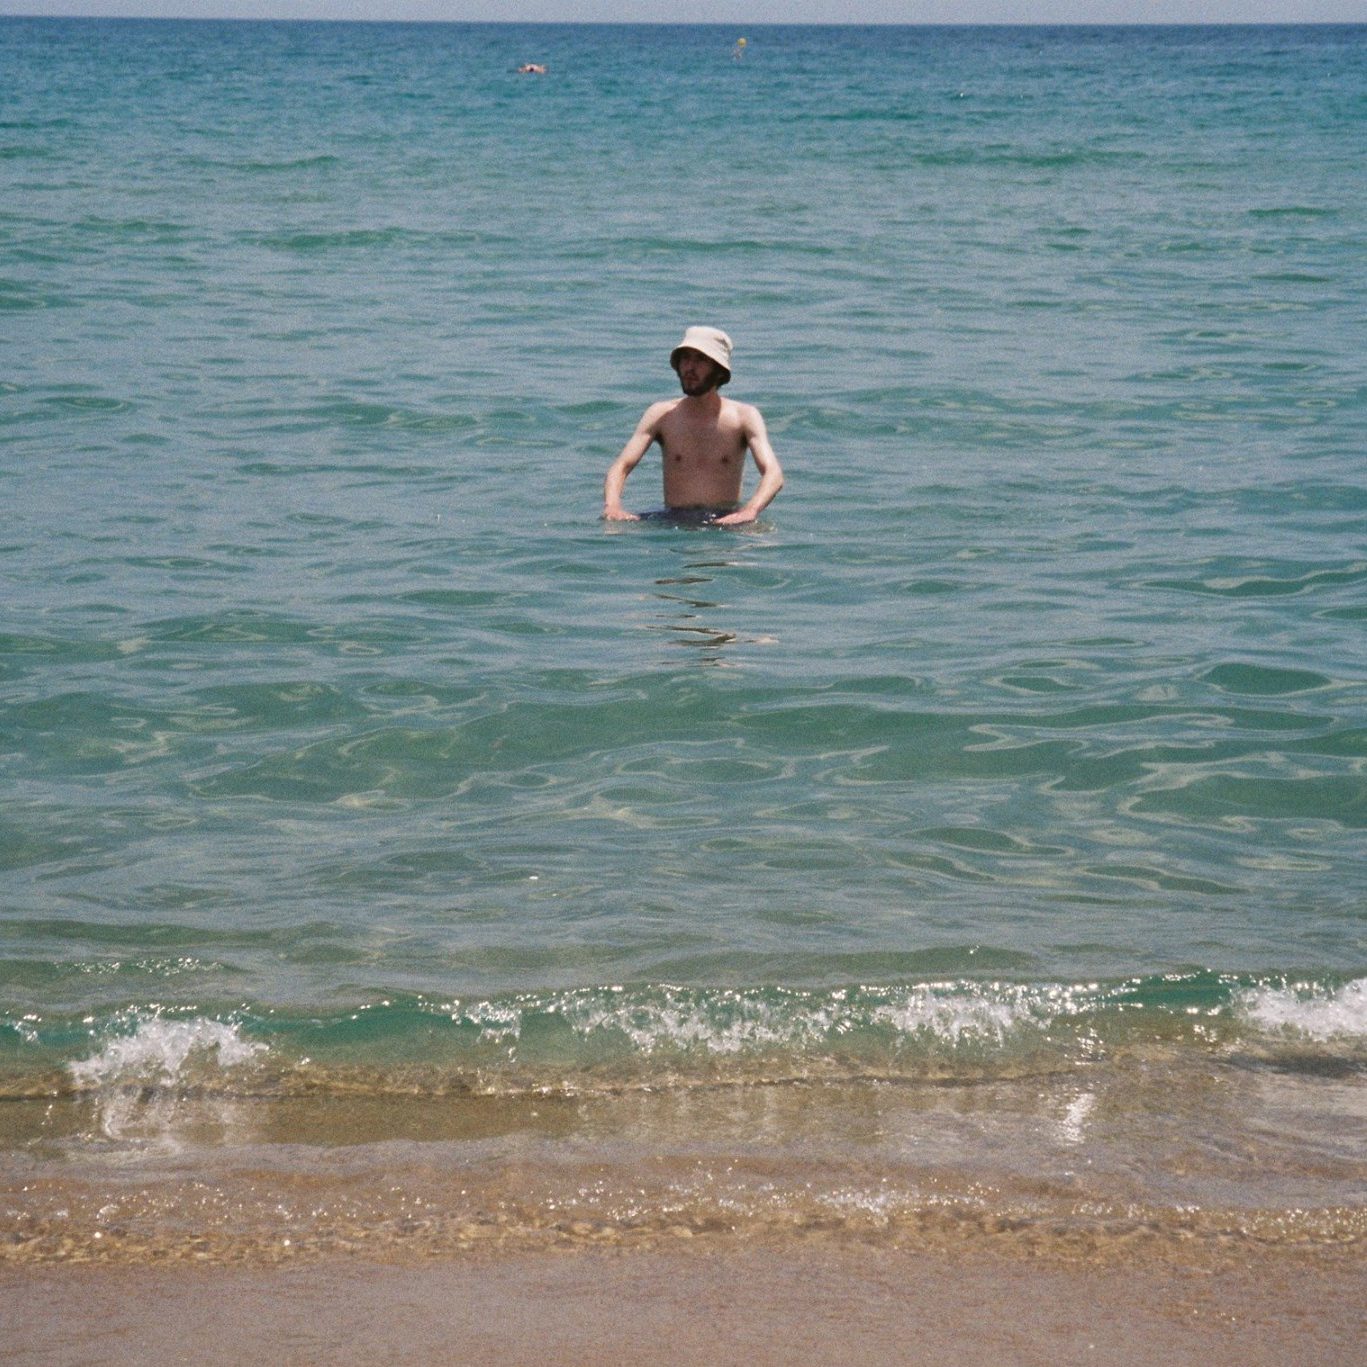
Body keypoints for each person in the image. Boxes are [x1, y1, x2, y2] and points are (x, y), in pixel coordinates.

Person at [602, 326, 783, 527]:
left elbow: (773, 474)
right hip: (672, 520)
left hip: (723, 522)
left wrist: (750, 511)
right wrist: (613, 506)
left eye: (700, 360)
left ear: (718, 370)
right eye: (685, 359)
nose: (690, 367)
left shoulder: (744, 417)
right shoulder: (662, 415)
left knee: (763, 536)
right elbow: (621, 466)